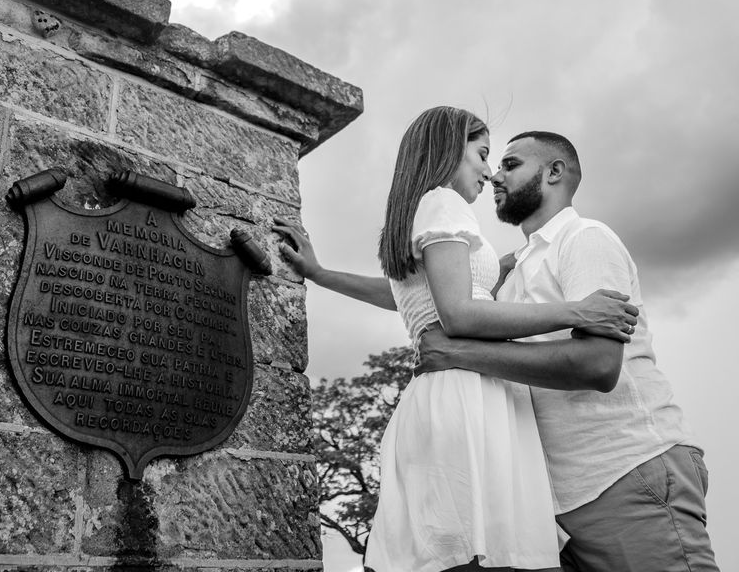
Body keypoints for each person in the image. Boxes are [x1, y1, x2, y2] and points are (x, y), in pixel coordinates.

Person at [275, 129, 720, 572]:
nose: (494, 175)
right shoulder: (515, 269)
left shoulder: (585, 239)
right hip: (559, 502)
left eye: (510, 164)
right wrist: (319, 273)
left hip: (625, 472)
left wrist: (458, 354)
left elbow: (598, 366)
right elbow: (412, 287)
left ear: (554, 172)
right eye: (491, 160)